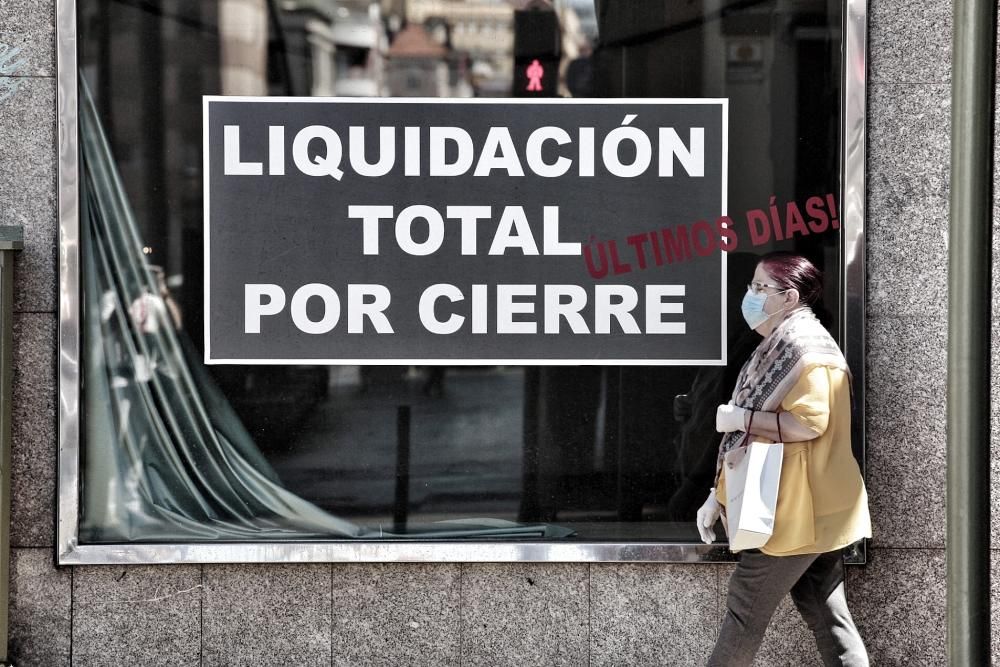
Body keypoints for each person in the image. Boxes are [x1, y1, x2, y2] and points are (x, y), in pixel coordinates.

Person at [696, 251, 872, 666]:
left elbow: (811, 424)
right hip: (811, 508)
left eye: (761, 288)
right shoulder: (783, 344)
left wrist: (740, 417)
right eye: (750, 286)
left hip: (794, 511)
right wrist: (714, 493)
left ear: (790, 297)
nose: (750, 296)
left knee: (744, 610)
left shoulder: (802, 347)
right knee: (828, 614)